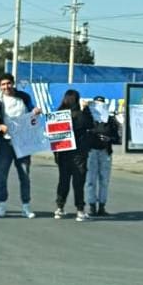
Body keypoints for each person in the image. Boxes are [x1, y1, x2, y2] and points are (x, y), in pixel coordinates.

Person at [0, 74, 43, 219]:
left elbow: (32, 110)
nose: (6, 86)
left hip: (23, 142)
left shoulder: (24, 97)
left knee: (25, 175)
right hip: (4, 143)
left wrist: (36, 111)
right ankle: (2, 205)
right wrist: (0, 126)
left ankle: (26, 206)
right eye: (3, 84)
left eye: (8, 83)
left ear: (13, 84)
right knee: (2, 174)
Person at [54, 90, 93, 220]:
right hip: (79, 154)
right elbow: (89, 124)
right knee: (78, 182)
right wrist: (86, 109)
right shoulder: (80, 115)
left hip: (63, 153)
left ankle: (60, 207)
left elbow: (54, 136)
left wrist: (56, 154)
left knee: (63, 181)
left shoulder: (58, 115)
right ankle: (80, 210)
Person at [85, 96, 120, 217]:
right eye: (96, 104)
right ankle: (92, 206)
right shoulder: (88, 118)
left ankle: (102, 206)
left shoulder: (110, 120)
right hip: (91, 151)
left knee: (104, 180)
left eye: (101, 104)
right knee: (91, 180)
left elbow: (117, 138)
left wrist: (109, 139)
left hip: (105, 152)